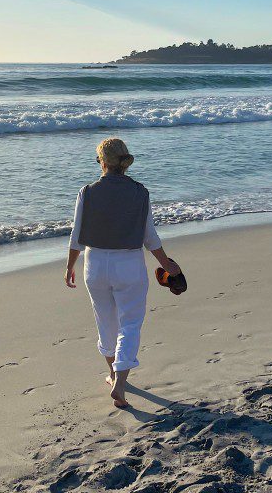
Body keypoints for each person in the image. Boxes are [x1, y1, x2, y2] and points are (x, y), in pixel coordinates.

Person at [64, 137, 181, 408]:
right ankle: (119, 384)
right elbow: (150, 237)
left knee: (106, 322)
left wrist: (70, 265)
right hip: (128, 264)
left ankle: (113, 374)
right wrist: (166, 264)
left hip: (94, 263)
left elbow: (76, 235)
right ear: (124, 163)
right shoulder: (141, 192)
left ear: (102, 163)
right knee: (129, 324)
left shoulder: (87, 192)